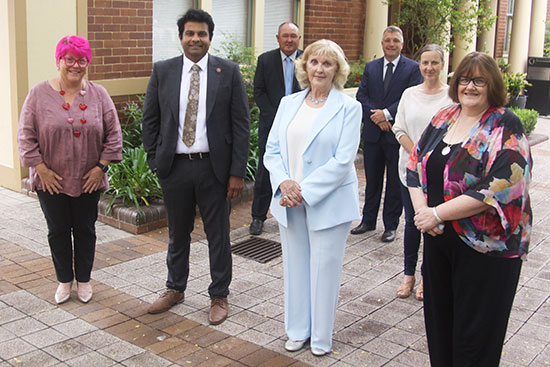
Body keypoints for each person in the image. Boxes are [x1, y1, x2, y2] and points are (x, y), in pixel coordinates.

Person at [407, 51, 532, 366]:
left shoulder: (505, 124)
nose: (470, 86)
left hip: (486, 251)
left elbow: (502, 183)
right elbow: (415, 166)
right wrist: (424, 212)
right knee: (440, 330)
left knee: (474, 340)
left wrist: (436, 214)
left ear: (492, 84)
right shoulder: (444, 117)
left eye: (479, 80)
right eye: (465, 78)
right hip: (438, 242)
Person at [142, 9, 250, 325]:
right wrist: (154, 159)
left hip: (214, 170)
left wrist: (236, 172)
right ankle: (175, 288)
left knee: (218, 235)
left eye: (201, 34)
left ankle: (219, 294)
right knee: (178, 234)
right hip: (174, 168)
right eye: (189, 33)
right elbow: (151, 119)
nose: (195, 39)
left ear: (209, 38)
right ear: (180, 37)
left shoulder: (227, 72)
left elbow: (240, 125)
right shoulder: (163, 71)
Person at [264, 39, 362, 356]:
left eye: (327, 63)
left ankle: (320, 338)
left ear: (337, 70)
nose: (319, 68)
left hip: (328, 203)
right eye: (314, 62)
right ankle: (296, 330)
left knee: (324, 271)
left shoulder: (349, 107)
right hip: (288, 201)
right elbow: (272, 150)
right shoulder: (288, 103)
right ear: (305, 66)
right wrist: (284, 184)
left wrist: (301, 191)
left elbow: (343, 160)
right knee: (295, 267)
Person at [17, 35, 122, 304]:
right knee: (58, 231)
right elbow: (25, 136)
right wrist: (42, 170)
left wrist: (101, 168)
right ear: (59, 61)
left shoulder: (99, 94)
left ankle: (84, 281)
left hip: (88, 180)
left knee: (86, 230)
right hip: (51, 180)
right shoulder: (38, 94)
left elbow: (114, 135)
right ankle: (64, 281)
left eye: (82, 60)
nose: (76, 65)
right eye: (70, 59)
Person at [392, 44, 452, 300]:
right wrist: (417, 157)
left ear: (442, 65)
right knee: (412, 223)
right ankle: (408, 275)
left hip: (439, 174)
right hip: (411, 172)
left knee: (434, 223)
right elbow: (399, 129)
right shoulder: (409, 94)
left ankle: (428, 276)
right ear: (419, 64)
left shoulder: (452, 96)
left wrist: (429, 159)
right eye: (425, 62)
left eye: (434, 63)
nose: (429, 68)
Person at [352, 25, 422, 242]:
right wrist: (377, 116)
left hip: (396, 134)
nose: (391, 44)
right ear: (382, 43)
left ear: (401, 44)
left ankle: (390, 225)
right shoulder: (371, 67)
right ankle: (368, 220)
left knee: (394, 182)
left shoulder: (412, 68)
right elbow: (361, 95)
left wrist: (387, 114)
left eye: (395, 40)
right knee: (372, 180)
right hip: (374, 134)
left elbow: (409, 98)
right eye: (387, 40)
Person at [249, 22, 303, 235]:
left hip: (300, 127)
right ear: (277, 37)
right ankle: (258, 217)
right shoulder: (266, 60)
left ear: (299, 38)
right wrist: (279, 119)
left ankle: (295, 214)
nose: (289, 40)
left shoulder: (308, 60)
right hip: (271, 125)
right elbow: (259, 92)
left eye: (293, 36)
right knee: (265, 171)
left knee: (297, 169)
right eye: (285, 36)